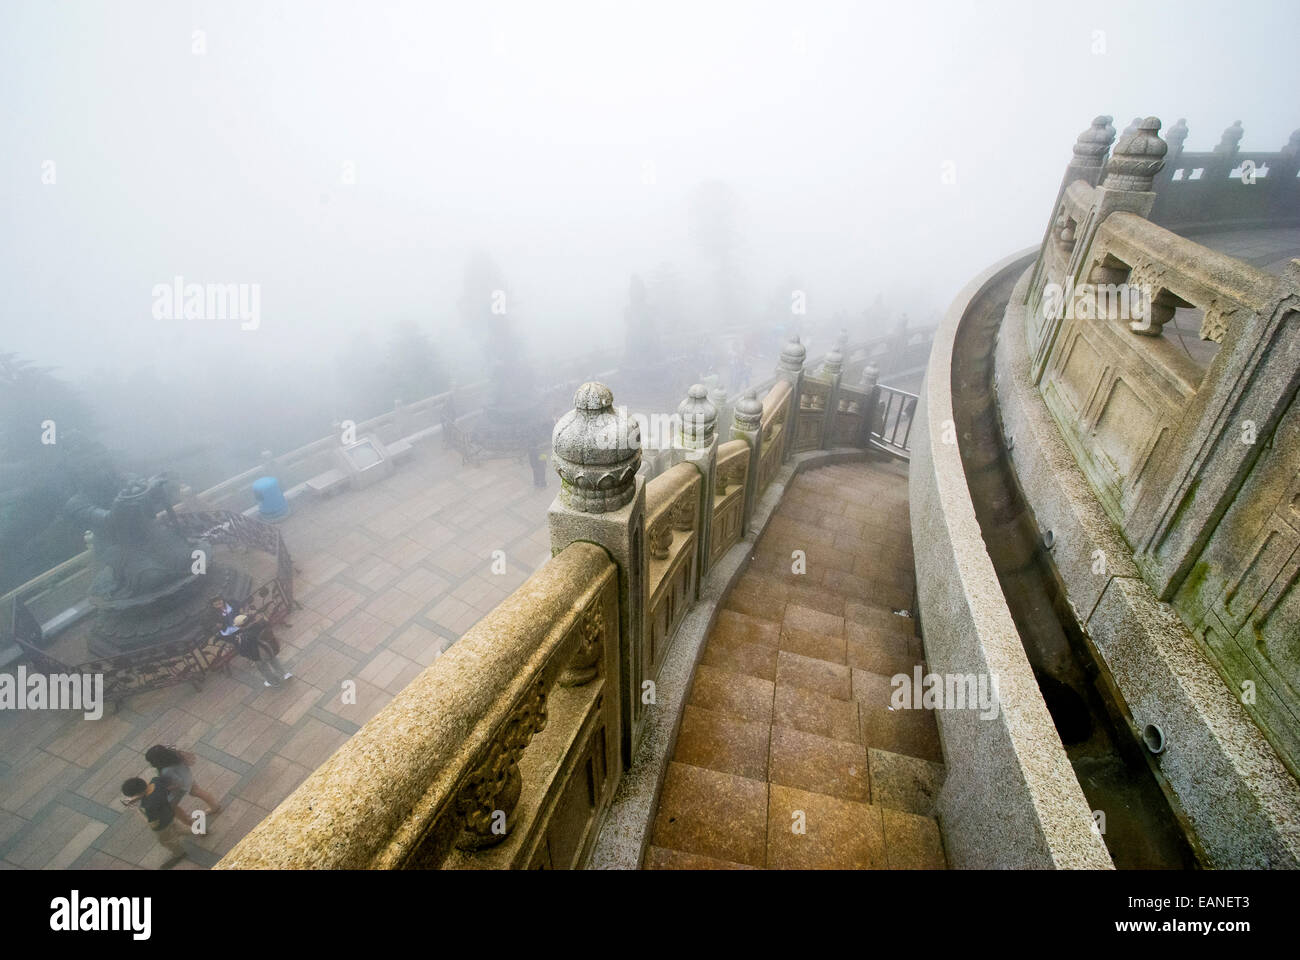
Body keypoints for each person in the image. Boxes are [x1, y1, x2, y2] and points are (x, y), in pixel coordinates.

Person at [144, 744, 221, 819]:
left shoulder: (166, 771)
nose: (151, 764)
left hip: (184, 784)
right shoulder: (172, 753)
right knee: (198, 792)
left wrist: (167, 788)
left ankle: (187, 820)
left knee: (171, 805)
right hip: (187, 776)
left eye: (151, 761)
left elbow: (179, 783)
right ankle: (214, 805)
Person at [121, 776, 187, 862]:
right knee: (178, 828)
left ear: (138, 793)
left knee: (168, 841)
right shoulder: (155, 781)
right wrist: (138, 797)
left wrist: (136, 810)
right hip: (169, 814)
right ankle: (199, 830)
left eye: (134, 795)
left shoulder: (149, 806)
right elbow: (159, 791)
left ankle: (179, 853)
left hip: (162, 827)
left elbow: (153, 825)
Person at [233, 612, 292, 687]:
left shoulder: (244, 637)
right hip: (268, 648)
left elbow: (242, 651)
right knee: (274, 661)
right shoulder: (259, 624)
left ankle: (274, 682)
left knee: (264, 669)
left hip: (258, 655)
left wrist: (238, 642)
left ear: (240, 626)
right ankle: (285, 674)